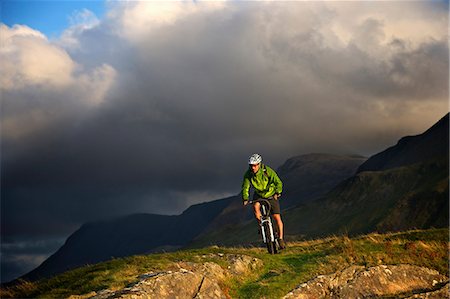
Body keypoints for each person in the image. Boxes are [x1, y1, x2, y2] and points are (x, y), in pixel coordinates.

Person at [242, 153, 286, 249]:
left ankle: (281, 239)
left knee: (277, 217)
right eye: (251, 166)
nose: (253, 168)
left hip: (270, 194)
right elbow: (245, 187)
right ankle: (261, 225)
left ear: (259, 164)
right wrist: (245, 198)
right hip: (259, 194)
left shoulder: (267, 171)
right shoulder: (248, 174)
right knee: (255, 207)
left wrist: (278, 192)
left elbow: (278, 182)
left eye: (254, 165)